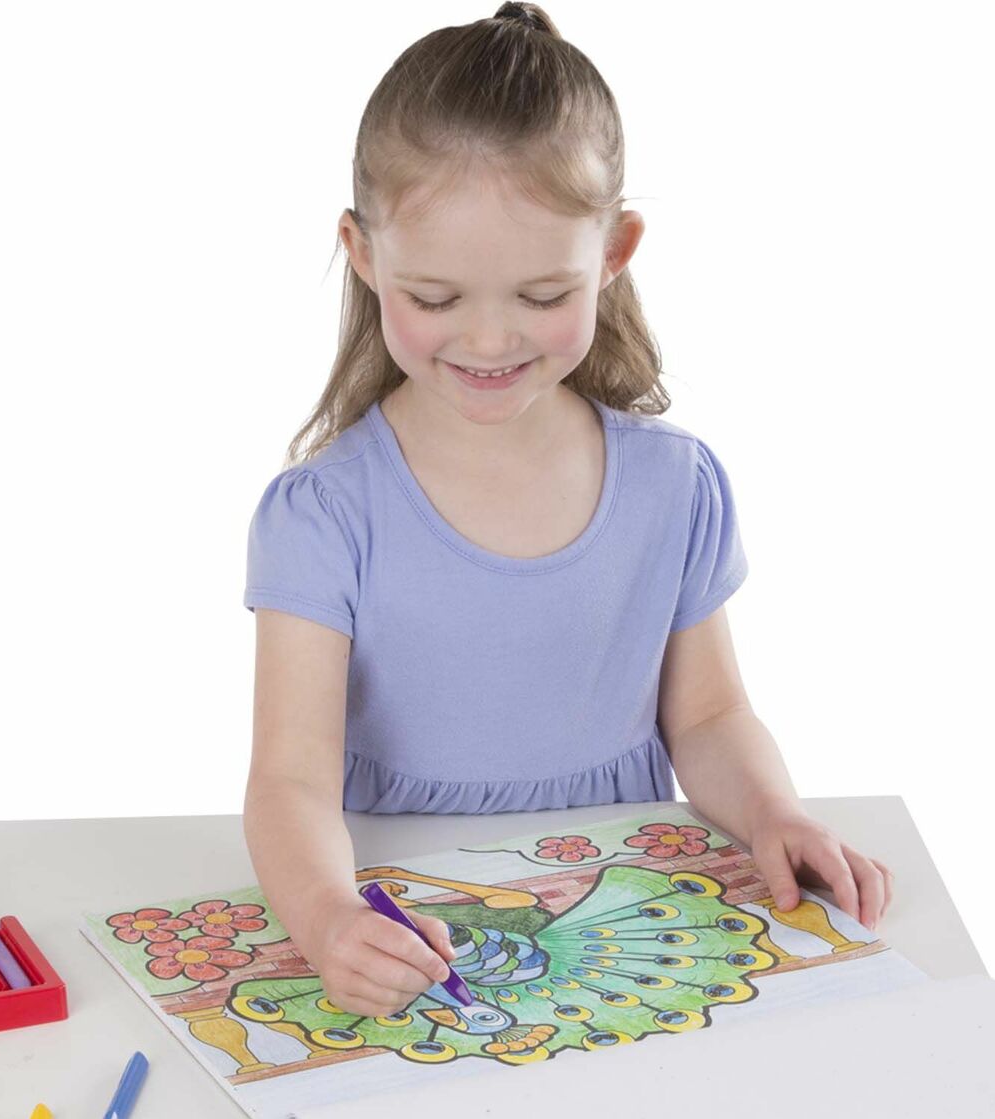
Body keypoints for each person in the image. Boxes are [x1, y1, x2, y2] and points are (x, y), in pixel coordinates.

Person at [242, 3, 892, 1019]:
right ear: (363, 256)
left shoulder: (674, 485)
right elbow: (289, 777)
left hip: (617, 914)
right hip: (409, 927)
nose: (489, 339)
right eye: (437, 298)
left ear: (615, 250)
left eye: (543, 296)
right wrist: (327, 917)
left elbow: (710, 716)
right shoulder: (323, 513)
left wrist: (775, 812)